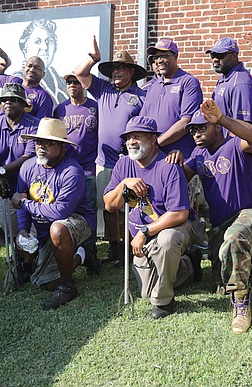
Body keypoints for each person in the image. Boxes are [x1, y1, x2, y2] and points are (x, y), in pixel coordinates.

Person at [178, 100, 252, 333]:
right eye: (193, 130)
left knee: (235, 237)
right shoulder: (198, 156)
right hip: (219, 225)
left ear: (216, 127)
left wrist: (222, 118)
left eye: (202, 127)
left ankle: (241, 302)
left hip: (250, 214)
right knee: (219, 279)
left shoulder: (235, 145)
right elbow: (177, 181)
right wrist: (172, 161)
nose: (196, 133)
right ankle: (251, 261)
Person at [103, 116, 203, 319]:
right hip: (145, 237)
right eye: (129, 137)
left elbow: (179, 213)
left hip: (174, 228)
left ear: (153, 139)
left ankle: (164, 301)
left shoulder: (169, 166)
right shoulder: (123, 165)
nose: (131, 142)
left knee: (167, 242)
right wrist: (124, 185)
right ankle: (189, 267)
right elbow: (109, 205)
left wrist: (144, 231)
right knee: (145, 291)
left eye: (137, 136)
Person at [74, 36, 147, 266]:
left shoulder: (142, 96)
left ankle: (131, 246)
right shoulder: (103, 89)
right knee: (108, 205)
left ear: (131, 72)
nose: (116, 72)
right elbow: (80, 74)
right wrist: (93, 58)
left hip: (131, 161)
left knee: (132, 204)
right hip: (104, 161)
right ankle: (115, 247)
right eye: (114, 68)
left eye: (122, 68)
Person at [11, 118, 97, 310]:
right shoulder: (27, 167)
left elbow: (60, 211)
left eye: (49, 143)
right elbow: (22, 203)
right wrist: (24, 229)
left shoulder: (72, 171)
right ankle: (84, 254)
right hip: (43, 226)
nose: (42, 147)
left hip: (76, 221)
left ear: (62, 148)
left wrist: (24, 203)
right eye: (39, 142)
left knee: (58, 229)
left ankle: (67, 286)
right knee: (47, 284)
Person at [0, 83, 40, 281]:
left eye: (13, 99)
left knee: (32, 227)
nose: (8, 103)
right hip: (3, 186)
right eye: (4, 100)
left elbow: (29, 156)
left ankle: (29, 262)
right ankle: (21, 260)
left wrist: (0, 171)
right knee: (11, 228)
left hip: (32, 186)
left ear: (23, 104)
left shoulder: (34, 125)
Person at [53, 72, 100, 273]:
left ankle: (90, 253)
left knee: (88, 212)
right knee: (67, 211)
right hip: (66, 170)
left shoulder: (95, 107)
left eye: (76, 81)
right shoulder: (60, 109)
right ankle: (72, 248)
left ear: (84, 84)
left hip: (88, 168)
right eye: (69, 82)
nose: (72, 85)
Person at [140, 38, 203, 158]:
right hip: (153, 156)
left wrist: (156, 143)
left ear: (175, 56)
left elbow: (187, 121)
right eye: (156, 57)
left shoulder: (188, 82)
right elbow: (144, 119)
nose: (159, 60)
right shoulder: (154, 85)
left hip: (177, 155)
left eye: (164, 55)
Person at [0, 46, 53, 118]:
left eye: (37, 68)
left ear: (43, 74)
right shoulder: (13, 82)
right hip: (2, 127)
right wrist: (6, 62)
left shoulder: (43, 97)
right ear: (24, 68)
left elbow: (43, 126)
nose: (32, 70)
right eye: (29, 66)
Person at [205, 37, 252, 124]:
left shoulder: (240, 84)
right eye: (213, 55)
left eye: (220, 55)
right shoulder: (225, 77)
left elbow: (243, 126)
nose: (215, 59)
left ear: (233, 56)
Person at [18, 18, 67, 104]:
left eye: (49, 41)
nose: (45, 47)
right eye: (38, 41)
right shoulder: (17, 81)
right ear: (25, 50)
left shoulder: (64, 83)